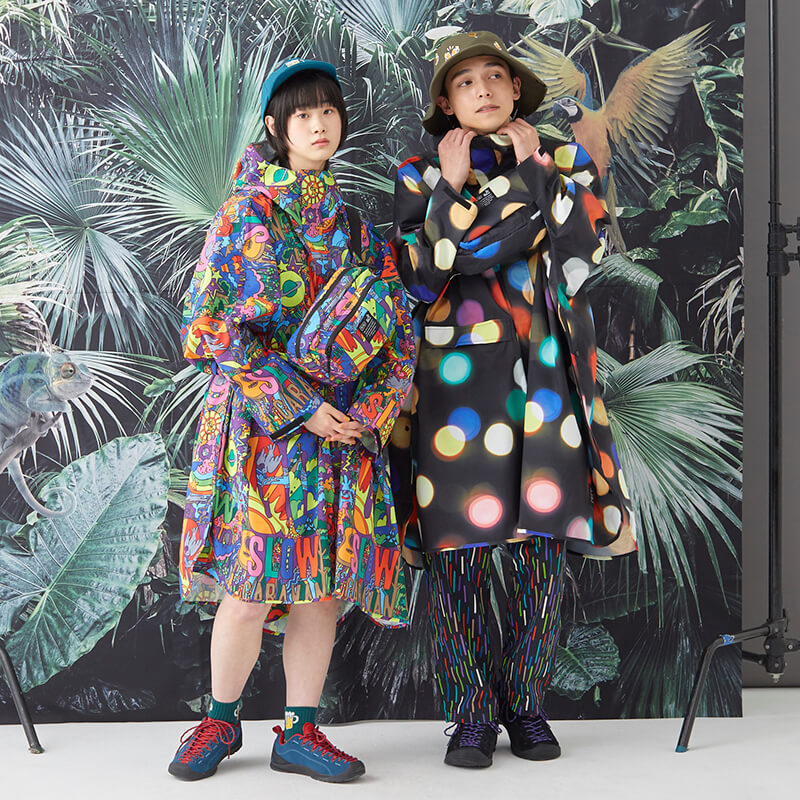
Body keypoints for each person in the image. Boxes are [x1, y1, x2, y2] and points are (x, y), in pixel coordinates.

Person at [391, 31, 635, 769]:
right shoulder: (418, 172)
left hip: (547, 377)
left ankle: (525, 705)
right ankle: (470, 716)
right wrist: (452, 189)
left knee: (541, 552)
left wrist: (529, 175)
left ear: (517, 88)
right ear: (446, 101)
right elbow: (423, 274)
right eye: (466, 81)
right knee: (459, 554)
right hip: (454, 384)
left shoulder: (561, 159)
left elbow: (583, 255)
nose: (484, 89)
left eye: (496, 75)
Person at [169, 57, 415, 783]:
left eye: (328, 110)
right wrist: (301, 407)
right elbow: (209, 328)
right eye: (302, 113)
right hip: (263, 431)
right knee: (250, 586)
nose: (318, 123)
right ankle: (219, 721)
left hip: (340, 436)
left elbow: (398, 331)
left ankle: (299, 732)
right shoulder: (245, 212)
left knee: (323, 589)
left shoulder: (356, 227)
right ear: (277, 128)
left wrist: (366, 414)